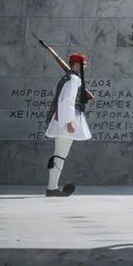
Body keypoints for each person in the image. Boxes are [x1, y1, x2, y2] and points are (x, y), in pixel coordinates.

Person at [44, 53, 91, 197]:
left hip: (62, 119)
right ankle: (52, 188)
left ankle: (52, 187)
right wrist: (69, 122)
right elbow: (67, 102)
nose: (85, 67)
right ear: (76, 65)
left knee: (59, 155)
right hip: (66, 121)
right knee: (60, 155)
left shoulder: (68, 78)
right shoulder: (74, 79)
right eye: (83, 65)